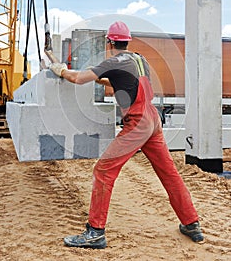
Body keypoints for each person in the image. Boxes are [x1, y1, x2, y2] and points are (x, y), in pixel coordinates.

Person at [49, 21, 204, 249]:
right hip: (153, 120)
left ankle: (95, 232)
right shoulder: (139, 59)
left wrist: (62, 71)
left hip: (138, 122)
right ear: (127, 41)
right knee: (169, 173)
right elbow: (117, 81)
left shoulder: (113, 61)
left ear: (110, 42)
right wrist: (94, 78)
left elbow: (79, 78)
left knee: (103, 170)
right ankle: (191, 223)